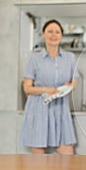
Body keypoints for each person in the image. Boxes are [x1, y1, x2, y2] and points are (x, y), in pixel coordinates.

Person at [20, 19, 78, 154]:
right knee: (39, 162)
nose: (53, 35)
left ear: (61, 36)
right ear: (43, 34)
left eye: (57, 32)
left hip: (60, 109)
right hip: (39, 109)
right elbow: (27, 88)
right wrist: (46, 90)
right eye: (50, 31)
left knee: (68, 156)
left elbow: (74, 81)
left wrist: (70, 85)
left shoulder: (70, 58)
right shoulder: (35, 58)